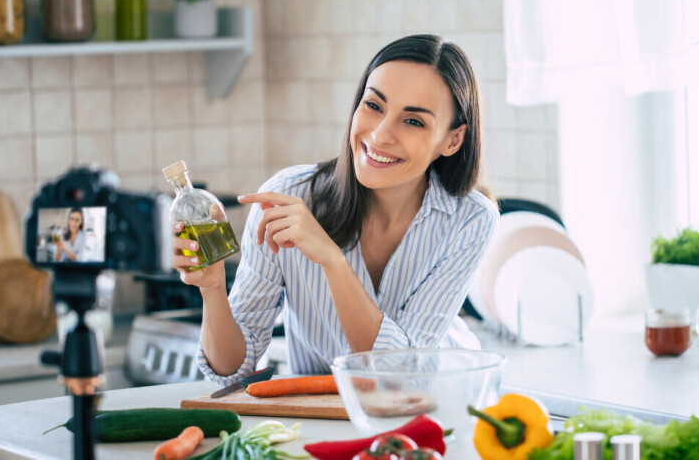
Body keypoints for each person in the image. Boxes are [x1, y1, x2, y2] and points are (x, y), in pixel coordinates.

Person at [173, 35, 499, 384]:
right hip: (320, 421)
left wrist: (332, 260)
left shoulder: (470, 219)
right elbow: (231, 371)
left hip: (438, 407)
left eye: (414, 121)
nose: (380, 135)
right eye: (374, 106)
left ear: (453, 140)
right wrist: (212, 289)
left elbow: (398, 372)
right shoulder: (285, 196)